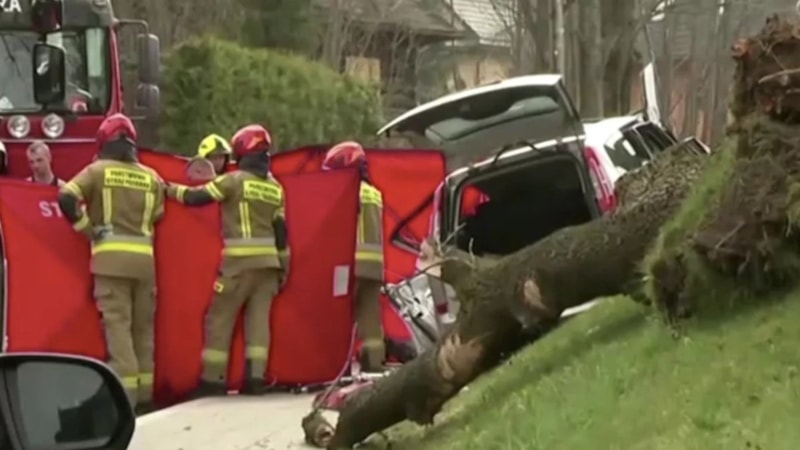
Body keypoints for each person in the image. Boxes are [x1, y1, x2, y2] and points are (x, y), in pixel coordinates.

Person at [165, 124, 289, 397]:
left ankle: (214, 380)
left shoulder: (233, 181)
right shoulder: (276, 188)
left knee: (219, 320)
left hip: (237, 266)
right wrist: (283, 268)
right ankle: (255, 379)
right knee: (258, 324)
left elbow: (197, 197)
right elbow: (282, 232)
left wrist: (168, 189)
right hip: (269, 266)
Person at [57, 113, 166, 414]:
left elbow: (66, 197)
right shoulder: (152, 177)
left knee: (118, 330)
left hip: (110, 263)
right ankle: (146, 398)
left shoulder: (97, 171)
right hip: (146, 264)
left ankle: (126, 403)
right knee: (143, 332)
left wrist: (87, 229)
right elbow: (158, 214)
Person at [322, 141, 386, 372]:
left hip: (350, 262)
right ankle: (375, 361)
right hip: (375, 264)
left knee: (339, 312)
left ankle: (339, 366)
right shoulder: (374, 193)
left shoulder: (347, 192)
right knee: (370, 315)